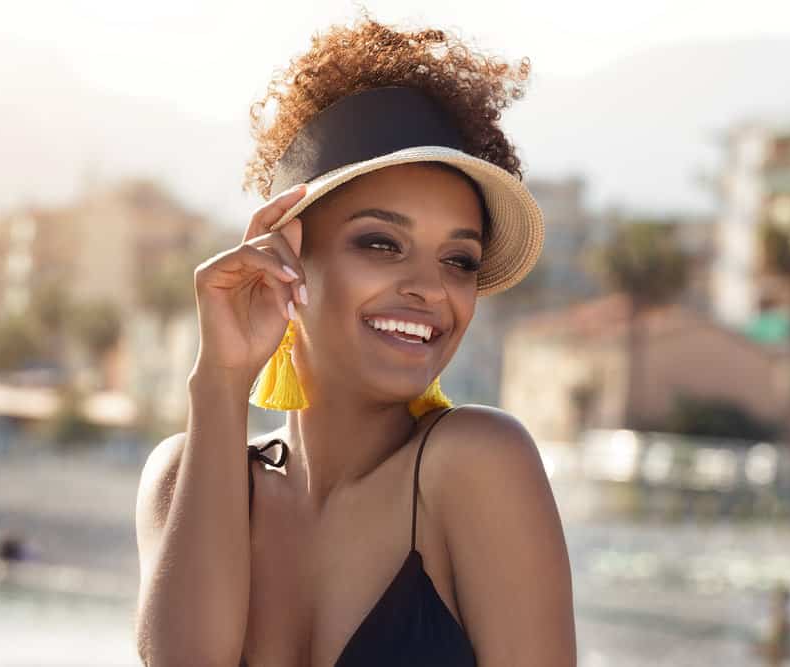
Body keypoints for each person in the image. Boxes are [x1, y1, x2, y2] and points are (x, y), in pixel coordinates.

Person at [134, 11, 575, 666]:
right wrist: (220, 381)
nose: (430, 287)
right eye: (381, 242)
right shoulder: (184, 476)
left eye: (458, 259)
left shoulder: (477, 464)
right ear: (287, 256)